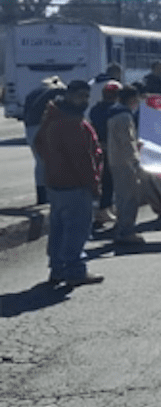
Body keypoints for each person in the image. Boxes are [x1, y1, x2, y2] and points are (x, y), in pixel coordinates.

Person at [34, 80, 104, 287]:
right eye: (80, 95)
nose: (83, 100)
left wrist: (51, 162)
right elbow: (82, 159)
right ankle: (75, 270)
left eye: (86, 96)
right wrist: (94, 184)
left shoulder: (52, 116)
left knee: (59, 229)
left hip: (56, 182)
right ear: (69, 95)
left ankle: (57, 270)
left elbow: (39, 143)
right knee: (77, 230)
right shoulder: (71, 122)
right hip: (75, 183)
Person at [108, 85, 161, 245]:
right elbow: (127, 142)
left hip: (116, 160)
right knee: (129, 197)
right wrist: (135, 161)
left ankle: (122, 227)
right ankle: (126, 232)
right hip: (127, 161)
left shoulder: (113, 112)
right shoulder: (124, 116)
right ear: (131, 99)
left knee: (123, 196)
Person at [23, 76, 67, 205]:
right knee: (49, 161)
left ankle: (42, 195)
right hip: (42, 126)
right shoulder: (53, 91)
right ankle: (49, 193)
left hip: (30, 128)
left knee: (39, 161)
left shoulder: (32, 93)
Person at [88, 80, 122, 227]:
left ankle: (103, 210)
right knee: (111, 182)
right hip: (114, 149)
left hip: (99, 147)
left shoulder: (95, 109)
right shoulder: (117, 110)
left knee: (103, 181)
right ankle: (104, 210)